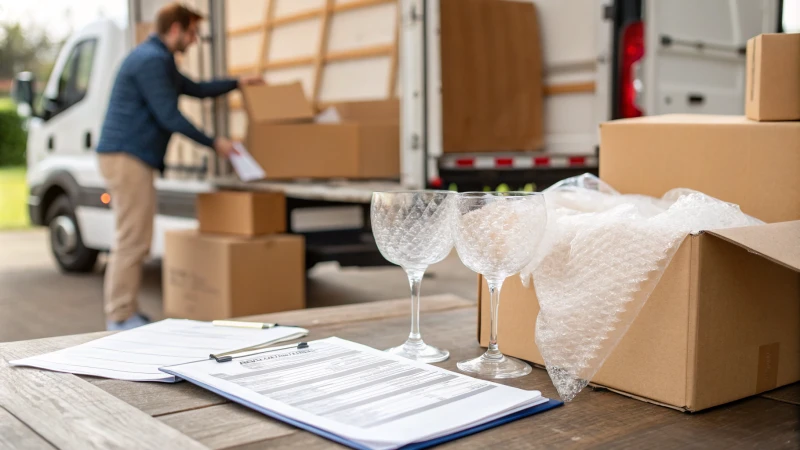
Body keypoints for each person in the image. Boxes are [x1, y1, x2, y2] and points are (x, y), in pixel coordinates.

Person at [96, 3, 262, 331]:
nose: (195, 39)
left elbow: (196, 90)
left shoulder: (159, 60)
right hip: (126, 157)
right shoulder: (151, 61)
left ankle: (125, 311)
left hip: (130, 156)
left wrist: (238, 82)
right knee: (133, 239)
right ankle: (119, 315)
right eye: (192, 32)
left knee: (134, 236)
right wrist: (217, 143)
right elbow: (169, 116)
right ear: (176, 29)